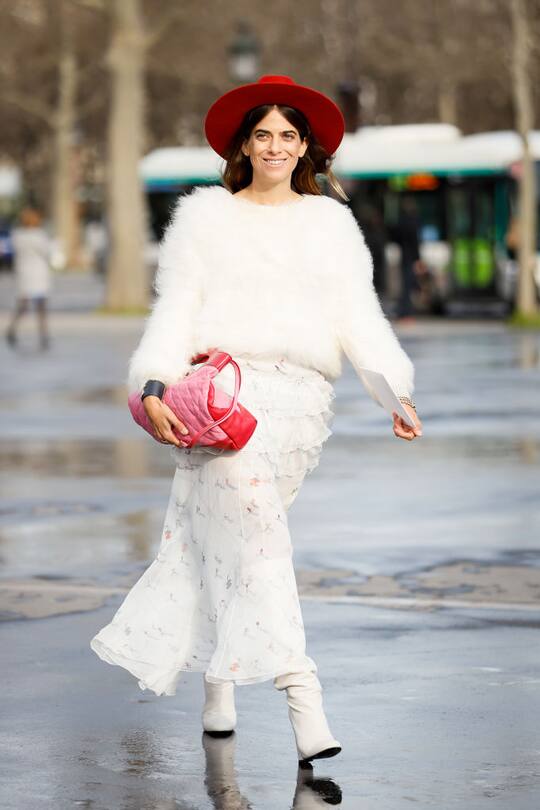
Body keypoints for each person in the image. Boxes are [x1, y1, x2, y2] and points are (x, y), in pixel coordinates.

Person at [90, 74, 423, 767]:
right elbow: (175, 310)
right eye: (264, 134)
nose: (275, 146)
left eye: (289, 136)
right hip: (225, 405)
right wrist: (152, 382)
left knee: (231, 550)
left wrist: (395, 392)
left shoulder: (329, 222)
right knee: (264, 551)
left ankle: (218, 683)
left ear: (307, 148)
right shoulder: (205, 218)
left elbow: (356, 316)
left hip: (302, 410)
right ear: (245, 143)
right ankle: (306, 700)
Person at [5, 205, 53, 350]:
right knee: (41, 306)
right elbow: (47, 252)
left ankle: (12, 329)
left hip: (24, 273)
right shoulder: (39, 236)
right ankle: (43, 334)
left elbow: (14, 251)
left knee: (22, 305)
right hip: (38, 274)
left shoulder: (17, 236)